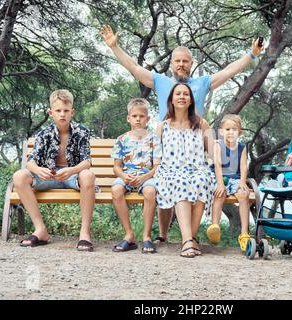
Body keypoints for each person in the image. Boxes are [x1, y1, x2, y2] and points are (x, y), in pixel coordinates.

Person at [100, 24, 264, 243]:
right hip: (166, 143)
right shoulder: (160, 81)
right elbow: (133, 68)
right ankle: (163, 235)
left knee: (194, 180)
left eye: (185, 61)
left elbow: (229, 70)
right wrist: (115, 47)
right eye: (177, 60)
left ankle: (190, 237)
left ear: (191, 64)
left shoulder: (202, 83)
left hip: (194, 143)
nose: (181, 64)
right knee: (167, 181)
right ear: (171, 63)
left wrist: (251, 55)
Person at [13, 89, 96, 251]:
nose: (62, 114)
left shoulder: (82, 131)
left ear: (72, 112)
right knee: (19, 176)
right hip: (49, 176)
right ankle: (40, 230)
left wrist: (72, 170)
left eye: (66, 111)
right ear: (51, 112)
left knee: (88, 175)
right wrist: (38, 170)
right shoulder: (44, 134)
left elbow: (87, 161)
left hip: (73, 176)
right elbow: (31, 162)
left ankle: (84, 234)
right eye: (58, 111)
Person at [154, 83, 216, 258]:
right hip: (169, 170)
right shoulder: (162, 126)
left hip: (197, 169)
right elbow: (156, 156)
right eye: (178, 94)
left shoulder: (201, 124)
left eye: (186, 94)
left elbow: (212, 152)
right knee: (181, 181)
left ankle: (189, 239)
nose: (182, 96)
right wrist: (152, 172)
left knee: (201, 181)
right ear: (171, 100)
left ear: (190, 100)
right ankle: (189, 240)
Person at [111, 98, 162, 253]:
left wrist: (144, 178)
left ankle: (146, 236)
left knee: (150, 191)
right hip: (127, 176)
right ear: (128, 118)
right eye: (134, 116)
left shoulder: (154, 139)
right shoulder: (121, 140)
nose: (138, 119)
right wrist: (124, 176)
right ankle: (129, 235)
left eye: (141, 116)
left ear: (148, 119)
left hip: (147, 177)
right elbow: (116, 167)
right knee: (116, 190)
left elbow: (157, 167)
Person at [206, 114, 251, 252]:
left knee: (243, 195)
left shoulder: (242, 147)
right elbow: (218, 165)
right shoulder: (217, 145)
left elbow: (244, 166)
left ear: (240, 132)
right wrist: (220, 184)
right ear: (221, 132)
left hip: (235, 177)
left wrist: (242, 182)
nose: (231, 132)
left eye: (234, 129)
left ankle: (244, 233)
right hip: (219, 177)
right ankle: (215, 226)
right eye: (227, 129)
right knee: (219, 194)